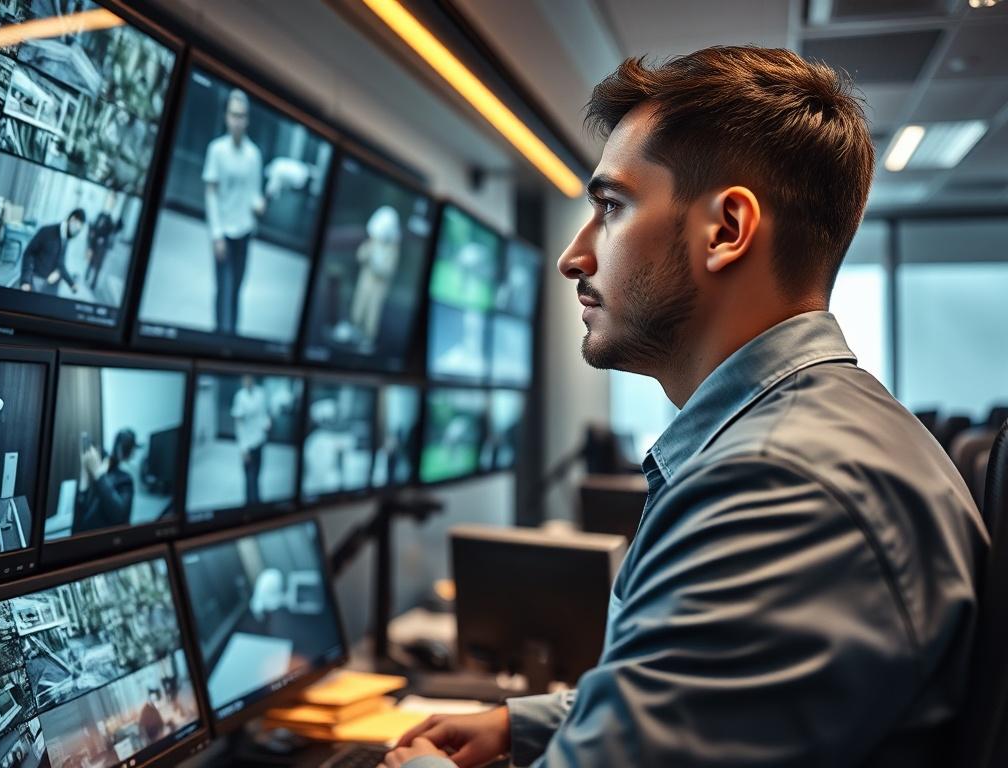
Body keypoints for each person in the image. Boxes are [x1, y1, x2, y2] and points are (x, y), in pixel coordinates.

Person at [383, 47, 988, 768]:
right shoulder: (804, 436)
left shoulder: (780, 485)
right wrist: (533, 725)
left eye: (611, 207)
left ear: (726, 230)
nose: (573, 257)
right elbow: (719, 695)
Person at [203, 88, 265, 335]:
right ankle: (219, 339)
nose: (237, 120)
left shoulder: (254, 155)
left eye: (242, 116)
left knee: (237, 290)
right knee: (223, 289)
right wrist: (216, 234)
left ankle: (231, 344)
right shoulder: (216, 150)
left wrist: (259, 205)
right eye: (233, 114)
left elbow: (255, 194)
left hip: (245, 232)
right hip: (224, 232)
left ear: (247, 119)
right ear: (226, 116)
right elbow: (211, 193)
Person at [349, 205, 401, 348]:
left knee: (373, 314)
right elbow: (360, 256)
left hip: (379, 287)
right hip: (365, 283)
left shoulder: (393, 248)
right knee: (359, 306)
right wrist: (368, 249)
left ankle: (368, 339)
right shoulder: (372, 241)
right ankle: (355, 330)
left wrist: (377, 266)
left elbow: (389, 270)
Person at [74, 428, 137, 534]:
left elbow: (120, 516)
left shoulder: (124, 479)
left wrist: (99, 474)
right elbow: (77, 527)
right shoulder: (101, 475)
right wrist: (84, 473)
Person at [18, 208, 85, 296]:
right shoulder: (47, 231)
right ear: (72, 219)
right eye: (77, 226)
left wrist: (71, 283)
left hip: (48, 286)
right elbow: (29, 254)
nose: (76, 230)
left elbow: (61, 264)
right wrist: (26, 281)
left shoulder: (65, 238)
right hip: (35, 281)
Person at [231, 375, 270, 506]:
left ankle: (257, 503)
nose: (246, 382)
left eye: (249, 379)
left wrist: (266, 422)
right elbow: (239, 425)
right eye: (244, 380)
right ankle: (249, 505)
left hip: (260, 439)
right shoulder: (240, 397)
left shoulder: (261, 393)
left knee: (257, 474)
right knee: (250, 477)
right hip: (247, 443)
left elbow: (264, 413)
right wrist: (243, 448)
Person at [85, 192, 120, 290]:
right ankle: (86, 275)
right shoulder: (100, 213)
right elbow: (95, 226)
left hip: (103, 245)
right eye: (109, 199)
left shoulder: (114, 216)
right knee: (91, 260)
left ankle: (93, 283)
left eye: (113, 200)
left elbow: (114, 230)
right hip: (95, 241)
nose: (110, 202)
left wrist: (104, 238)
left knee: (98, 264)